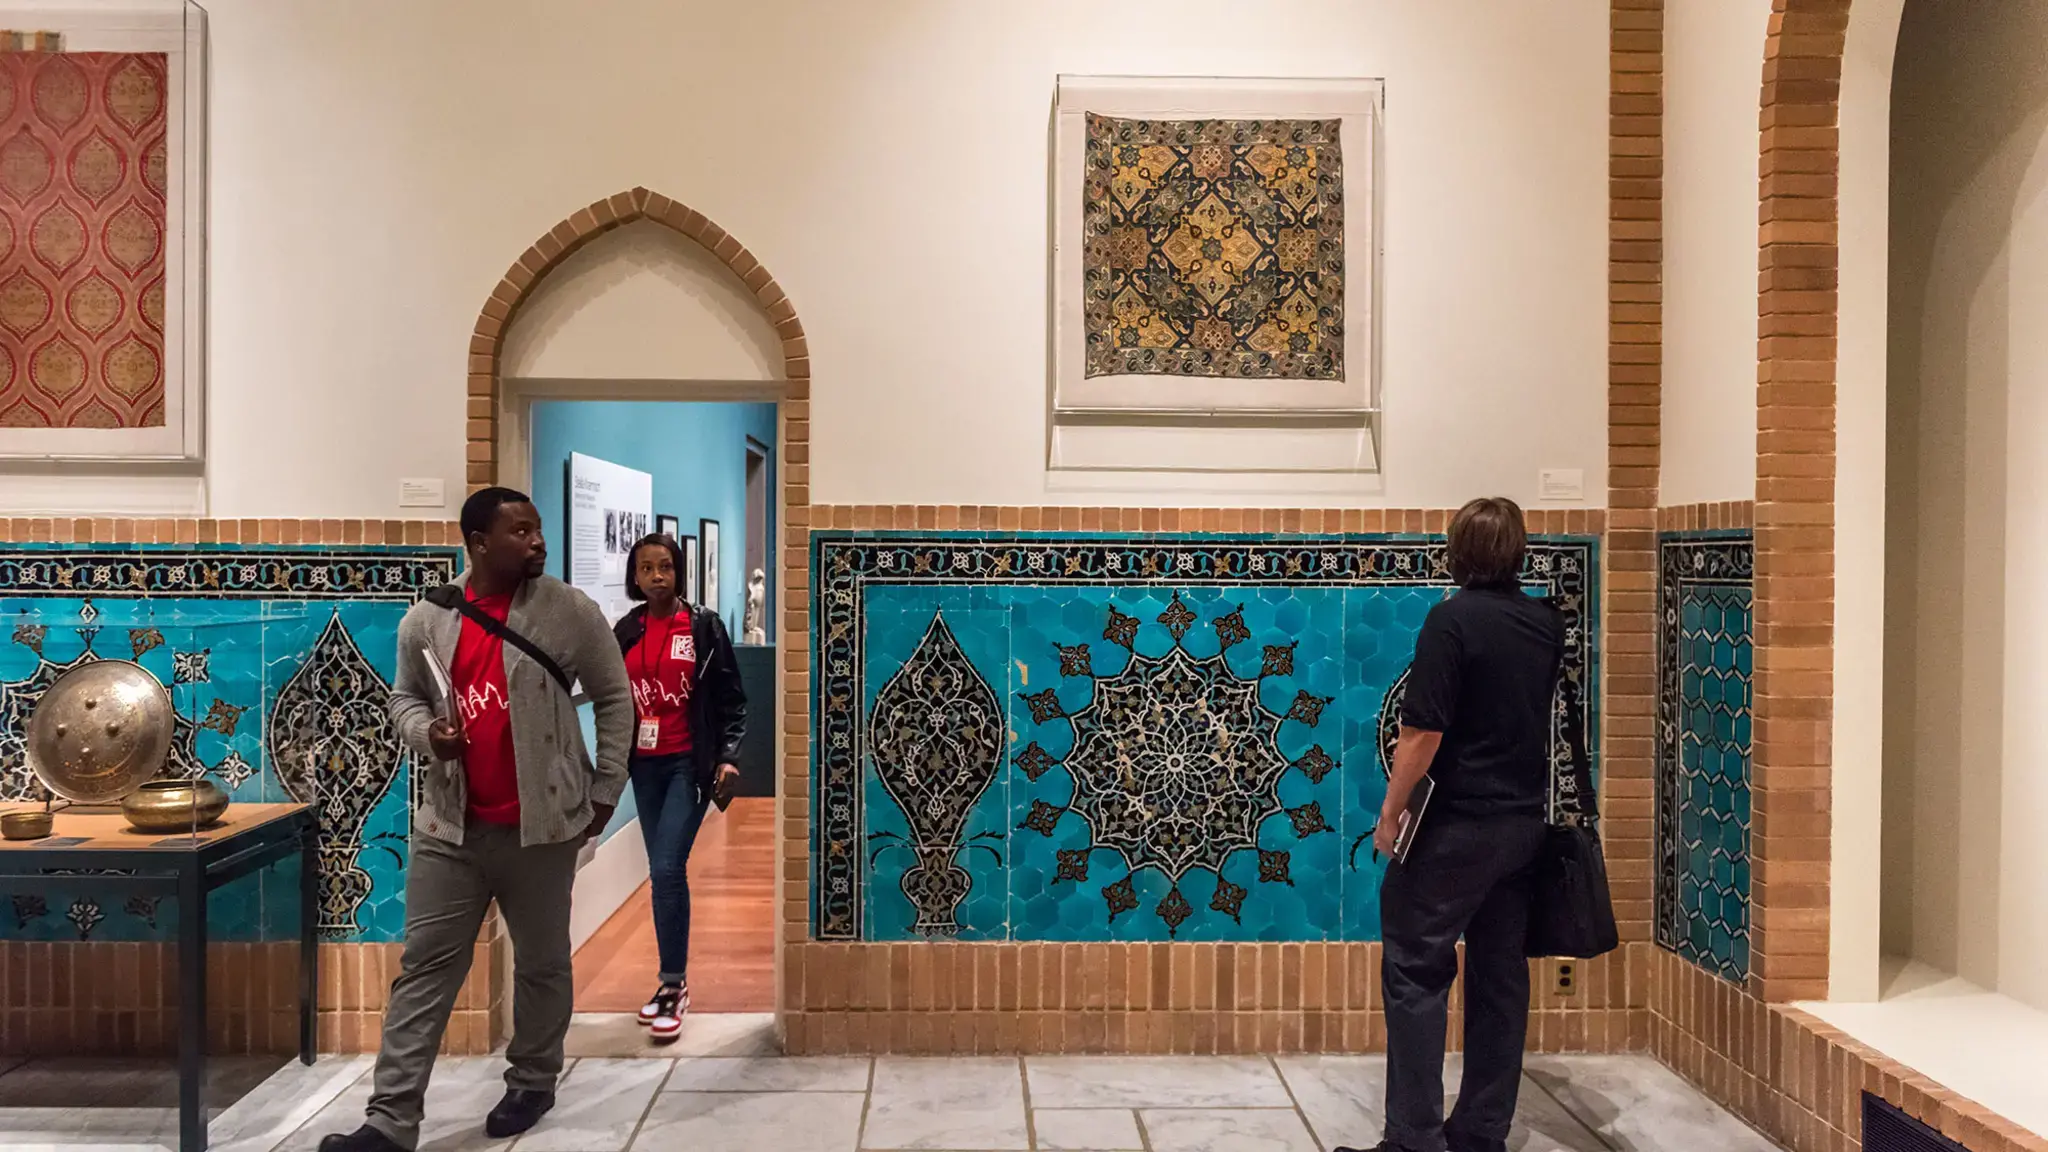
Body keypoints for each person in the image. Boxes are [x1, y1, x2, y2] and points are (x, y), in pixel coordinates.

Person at [321, 487, 634, 1152]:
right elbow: (403, 697)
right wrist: (428, 735)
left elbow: (615, 698)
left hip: (543, 829)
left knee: (543, 963)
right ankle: (390, 1120)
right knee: (426, 968)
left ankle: (532, 1080)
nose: (537, 542)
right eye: (520, 531)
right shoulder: (427, 620)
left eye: (538, 529)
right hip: (450, 829)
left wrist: (606, 787)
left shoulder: (569, 612)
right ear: (479, 541)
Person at [1339, 497, 1565, 1152]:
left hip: (1455, 827)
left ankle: (1413, 1139)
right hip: (1522, 826)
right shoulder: (1545, 623)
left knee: (1415, 968)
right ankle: (1481, 1133)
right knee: (1500, 977)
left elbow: (1421, 733)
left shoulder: (1452, 621)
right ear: (1518, 552)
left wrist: (1391, 813)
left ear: (1456, 552)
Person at [614, 533, 747, 1042]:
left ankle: (673, 984)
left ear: (679, 572)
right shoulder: (625, 631)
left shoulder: (703, 627)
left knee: (667, 867)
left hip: (686, 764)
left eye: (665, 567)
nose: (656, 577)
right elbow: (612, 698)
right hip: (642, 766)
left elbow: (732, 700)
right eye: (646, 568)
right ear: (635, 576)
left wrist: (728, 758)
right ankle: (671, 982)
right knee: (662, 871)